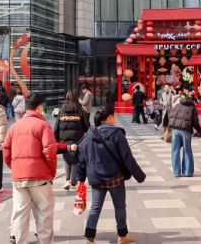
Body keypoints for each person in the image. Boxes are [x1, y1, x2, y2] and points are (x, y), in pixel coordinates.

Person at [77, 102, 145, 244]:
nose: (115, 117)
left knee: (95, 207)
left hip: (96, 177)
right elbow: (127, 157)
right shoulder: (117, 134)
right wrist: (139, 175)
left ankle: (89, 238)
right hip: (115, 177)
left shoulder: (89, 135)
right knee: (119, 206)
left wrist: (81, 178)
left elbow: (81, 157)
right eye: (114, 115)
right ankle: (122, 236)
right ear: (109, 117)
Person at [3, 93, 57, 244]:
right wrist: (51, 171)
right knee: (44, 212)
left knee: (20, 213)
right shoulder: (43, 125)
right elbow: (50, 151)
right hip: (40, 176)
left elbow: (6, 151)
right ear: (39, 107)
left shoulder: (14, 126)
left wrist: (15, 167)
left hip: (19, 176)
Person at [54, 89, 89, 190]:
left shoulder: (61, 111)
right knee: (75, 160)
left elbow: (56, 127)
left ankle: (67, 180)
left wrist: (56, 139)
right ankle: (73, 182)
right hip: (77, 140)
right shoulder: (80, 111)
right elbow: (86, 127)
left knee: (67, 159)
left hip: (64, 140)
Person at [167, 91, 201, 177]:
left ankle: (176, 172)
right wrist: (200, 130)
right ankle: (187, 172)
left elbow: (171, 115)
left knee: (175, 150)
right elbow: (195, 122)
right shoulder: (192, 107)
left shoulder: (178, 105)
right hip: (186, 130)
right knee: (187, 150)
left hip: (175, 129)